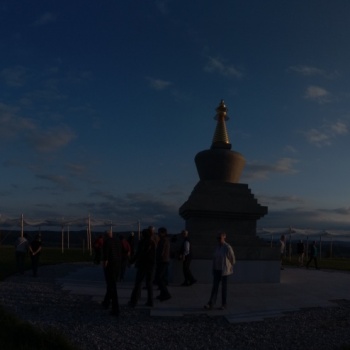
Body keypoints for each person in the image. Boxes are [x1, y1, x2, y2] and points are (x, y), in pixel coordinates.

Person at [204, 232, 235, 310]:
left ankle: (224, 304)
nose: (218, 239)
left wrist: (229, 266)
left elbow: (232, 258)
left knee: (224, 288)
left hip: (224, 270)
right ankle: (211, 303)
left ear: (224, 237)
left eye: (220, 238)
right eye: (217, 238)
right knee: (215, 287)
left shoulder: (227, 247)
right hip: (217, 269)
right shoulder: (217, 247)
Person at [128, 228, 156, 307]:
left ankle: (134, 300)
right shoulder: (152, 242)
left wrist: (131, 261)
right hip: (151, 265)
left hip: (143, 264)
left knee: (138, 283)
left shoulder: (142, 242)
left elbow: (139, 253)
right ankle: (150, 301)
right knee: (149, 284)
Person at [101, 230, 122, 317]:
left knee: (112, 286)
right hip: (117, 265)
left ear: (105, 236)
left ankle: (115, 308)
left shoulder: (106, 242)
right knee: (112, 285)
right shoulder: (117, 241)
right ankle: (106, 302)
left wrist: (104, 265)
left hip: (110, 265)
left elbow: (106, 255)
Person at [155, 227, 171, 301]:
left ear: (163, 233)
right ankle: (163, 294)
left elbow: (161, 251)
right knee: (161, 278)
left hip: (162, 261)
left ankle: (166, 293)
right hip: (164, 261)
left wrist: (157, 258)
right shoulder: (166, 240)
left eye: (159, 232)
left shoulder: (163, 240)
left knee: (159, 278)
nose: (158, 234)